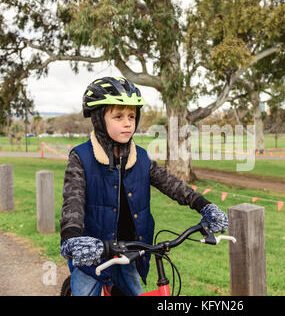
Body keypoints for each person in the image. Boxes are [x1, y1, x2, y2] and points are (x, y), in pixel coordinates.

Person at [59, 76, 228, 296]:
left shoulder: (140, 157)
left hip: (131, 250)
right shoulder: (81, 157)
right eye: (118, 116)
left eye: (132, 115)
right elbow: (72, 203)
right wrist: (72, 239)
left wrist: (204, 206)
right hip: (92, 253)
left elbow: (172, 185)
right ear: (99, 119)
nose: (128, 122)